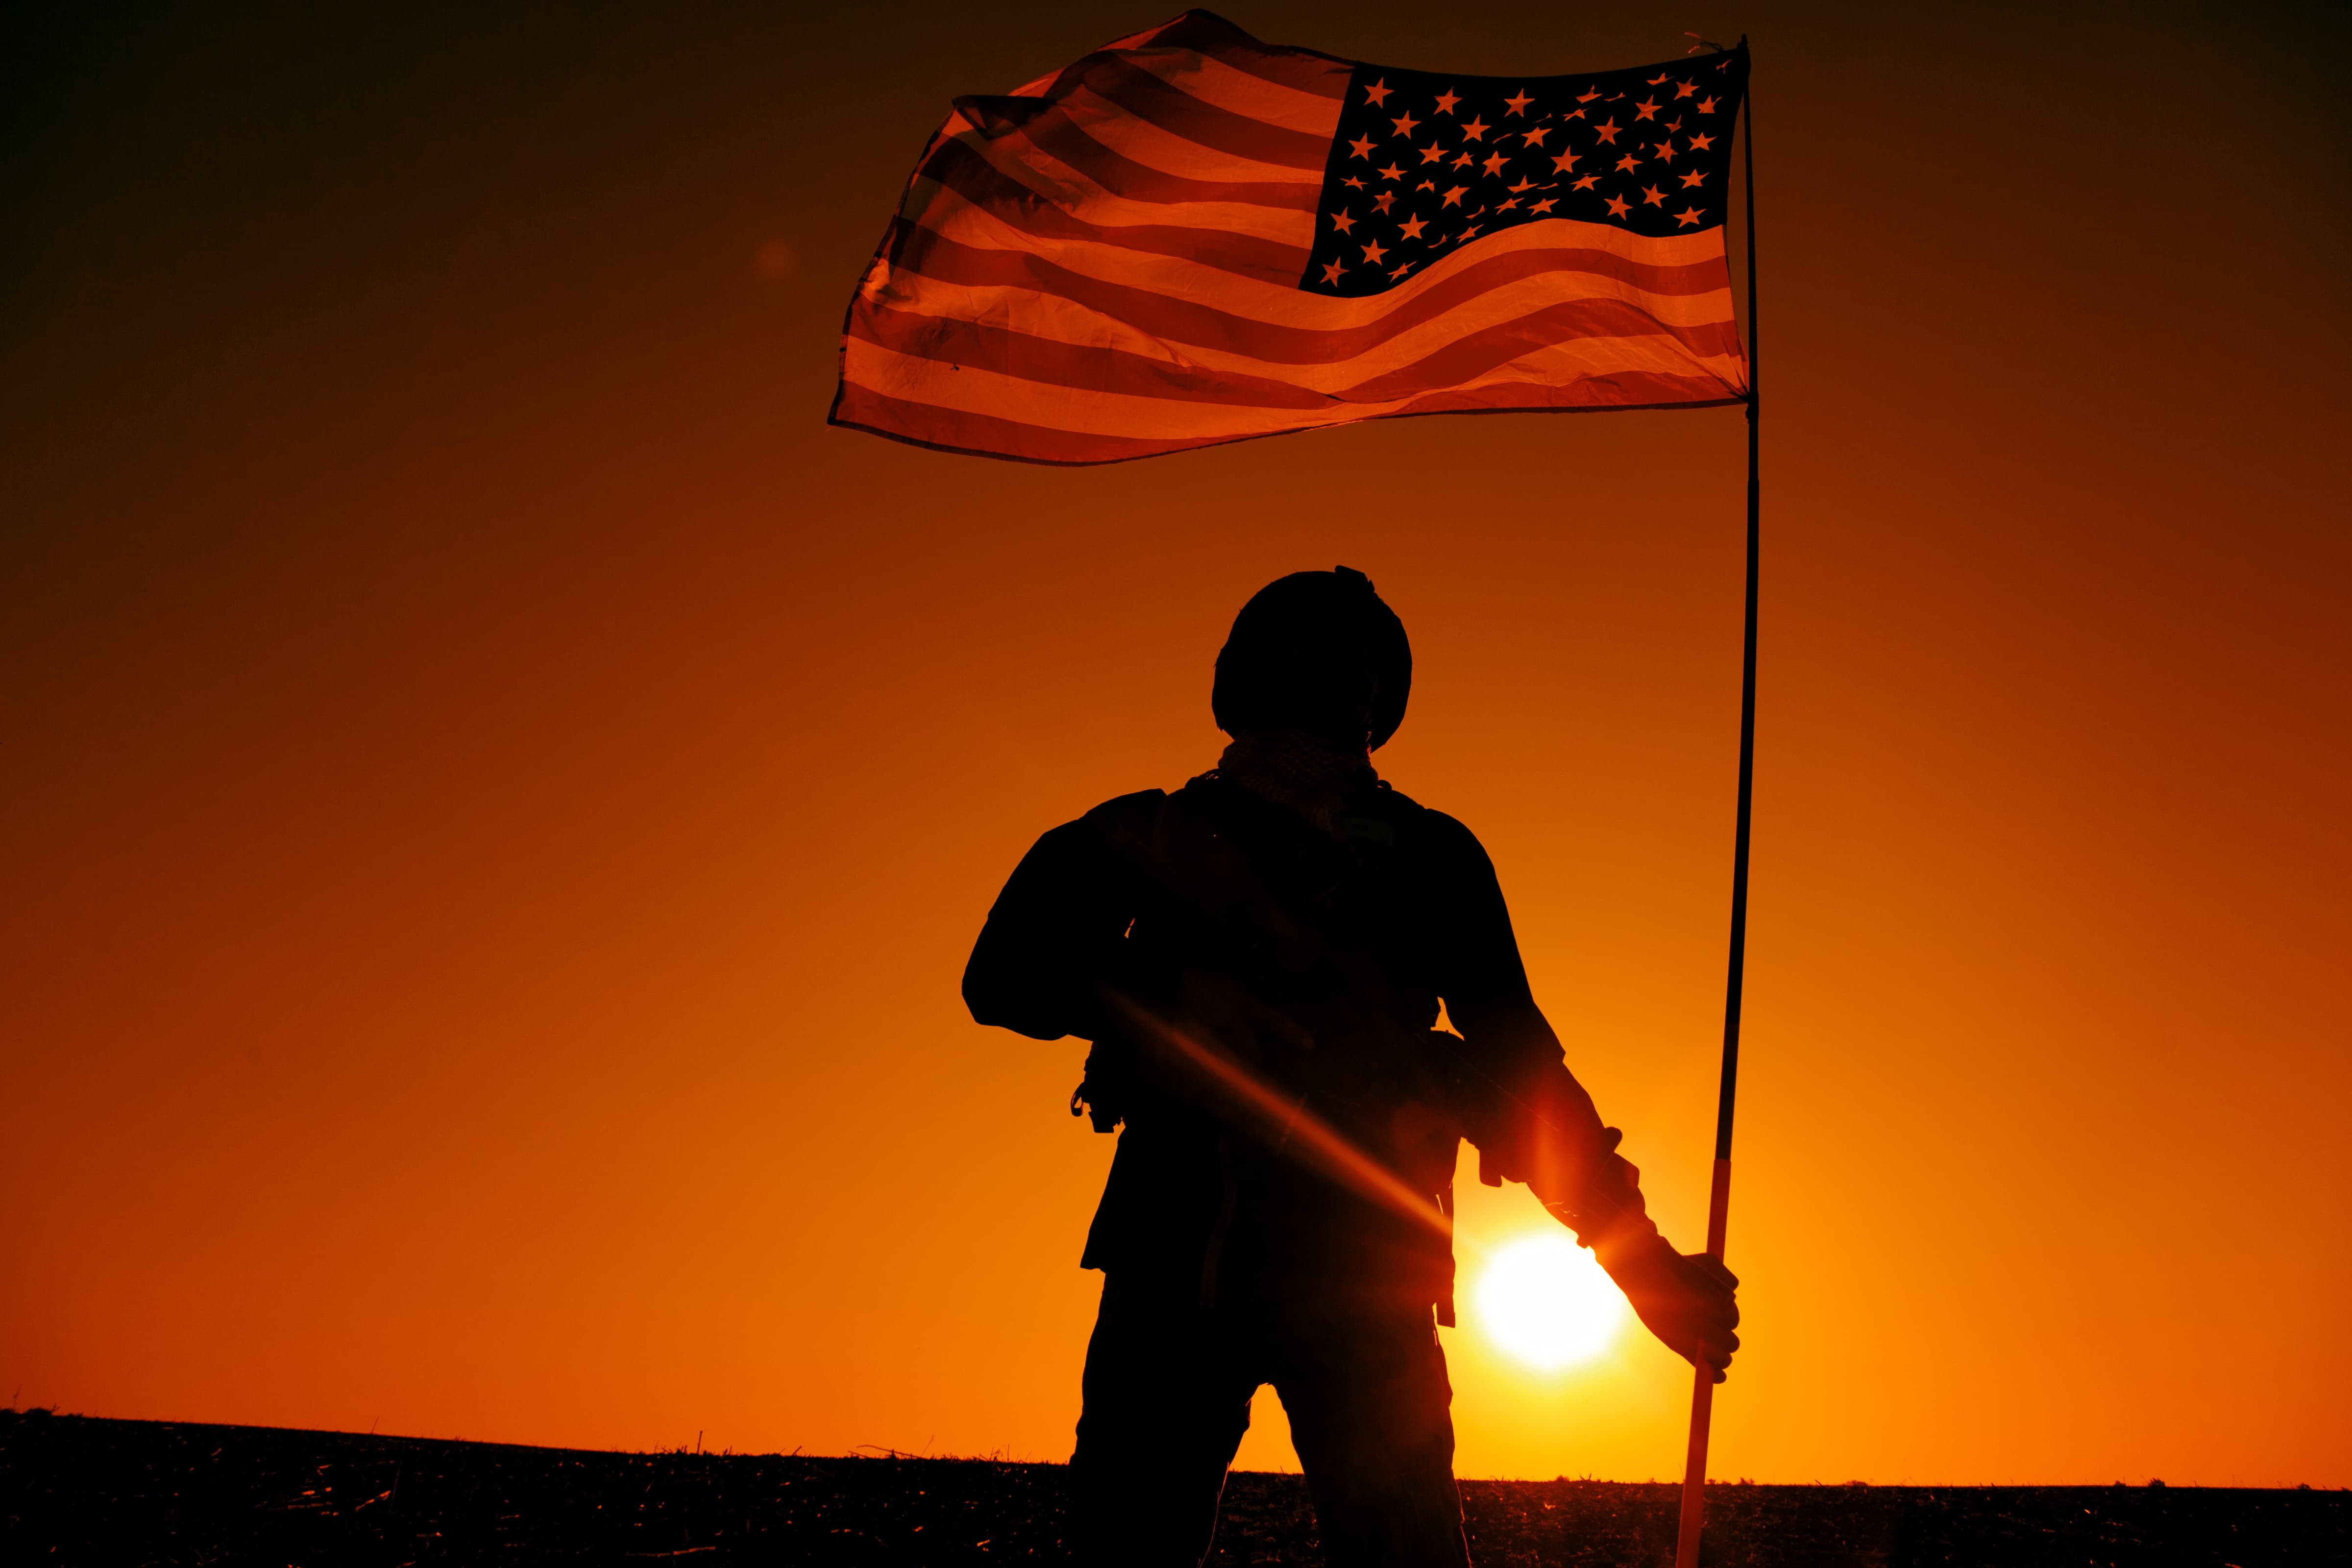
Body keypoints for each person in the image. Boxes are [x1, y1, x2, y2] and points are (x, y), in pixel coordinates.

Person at [962, 567, 1739, 1568]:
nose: (1354, 674)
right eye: (1323, 644)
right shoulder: (1147, 833)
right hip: (1177, 1261)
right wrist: (1170, 1004)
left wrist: (1642, 1263)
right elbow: (1003, 976)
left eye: (1372, 659)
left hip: (1369, 1270)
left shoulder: (1434, 858)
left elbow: (1519, 1066)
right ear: (1256, 671)